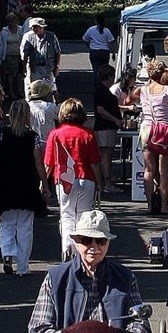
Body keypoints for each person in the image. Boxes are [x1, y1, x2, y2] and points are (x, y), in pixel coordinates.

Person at [0, 99, 47, 276]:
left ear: (10, 114)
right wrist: (45, 184)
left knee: (7, 224)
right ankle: (23, 267)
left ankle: (7, 254)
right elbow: (38, 163)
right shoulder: (33, 137)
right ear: (27, 115)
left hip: (5, 184)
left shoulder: (0, 134)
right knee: (25, 227)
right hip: (27, 184)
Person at [44, 98, 103, 259]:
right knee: (83, 216)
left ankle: (67, 248)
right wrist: (100, 182)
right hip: (86, 178)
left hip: (64, 179)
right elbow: (95, 162)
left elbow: (48, 163)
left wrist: (43, 184)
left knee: (66, 214)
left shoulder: (55, 134)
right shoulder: (88, 134)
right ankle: (79, 252)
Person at [125, 66, 168, 215]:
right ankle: (164, 206)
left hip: (146, 129)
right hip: (164, 130)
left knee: (148, 170)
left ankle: (150, 205)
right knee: (164, 171)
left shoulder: (141, 90)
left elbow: (127, 101)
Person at [92, 64, 125, 191]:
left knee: (105, 155)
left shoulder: (102, 90)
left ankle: (105, 181)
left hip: (105, 126)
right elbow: (100, 110)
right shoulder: (102, 91)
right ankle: (106, 183)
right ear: (109, 77)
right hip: (105, 127)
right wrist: (115, 119)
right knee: (105, 155)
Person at [27, 79, 60, 185]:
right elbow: (60, 115)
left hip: (32, 142)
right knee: (48, 167)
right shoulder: (49, 107)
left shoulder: (28, 107)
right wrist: (57, 99)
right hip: (48, 142)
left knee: (34, 167)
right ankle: (46, 188)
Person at [21, 17, 61, 93]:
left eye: (35, 27)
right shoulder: (29, 37)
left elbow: (58, 52)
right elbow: (25, 53)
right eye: (32, 27)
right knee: (35, 89)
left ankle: (51, 103)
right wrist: (24, 68)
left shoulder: (52, 37)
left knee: (50, 89)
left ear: (42, 27)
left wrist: (57, 67)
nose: (33, 29)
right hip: (35, 68)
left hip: (48, 68)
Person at [0, 12, 26, 101]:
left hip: (19, 55)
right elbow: (0, 44)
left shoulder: (20, 30)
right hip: (8, 56)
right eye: (8, 21)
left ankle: (19, 91)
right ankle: (11, 92)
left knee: (20, 74)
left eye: (12, 21)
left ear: (16, 21)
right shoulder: (4, 32)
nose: (10, 23)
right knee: (11, 75)